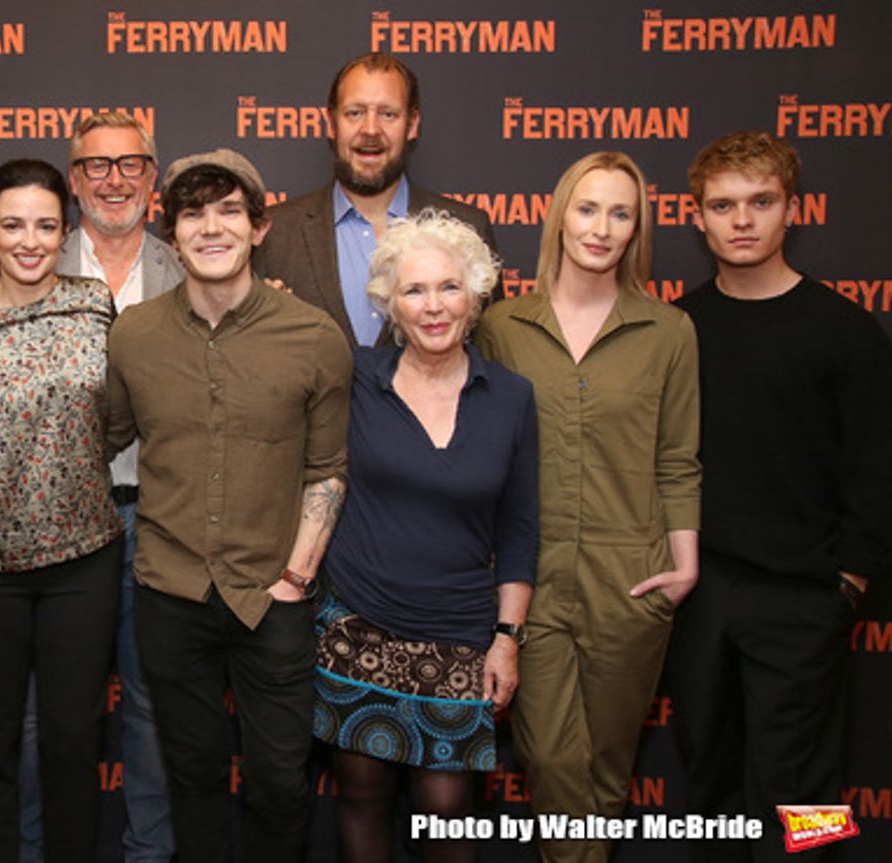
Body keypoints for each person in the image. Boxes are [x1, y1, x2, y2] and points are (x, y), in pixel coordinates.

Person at [106, 148, 352, 863]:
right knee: (193, 775)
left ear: (258, 226)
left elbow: (328, 470)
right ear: (172, 233)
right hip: (168, 590)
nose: (210, 227)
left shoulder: (314, 337)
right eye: (192, 213)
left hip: (274, 593)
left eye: (227, 210)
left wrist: (296, 580)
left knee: (279, 782)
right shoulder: (134, 334)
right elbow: (105, 439)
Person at [668, 132, 892, 863]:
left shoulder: (847, 331)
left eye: (760, 202)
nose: (742, 220)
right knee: (709, 788)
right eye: (723, 205)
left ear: (790, 210)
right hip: (700, 598)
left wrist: (847, 584)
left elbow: (876, 467)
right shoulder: (679, 328)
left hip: (804, 597)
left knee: (808, 802)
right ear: (697, 217)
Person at [473, 151, 701, 863]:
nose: (601, 227)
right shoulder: (503, 326)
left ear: (637, 230)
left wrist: (682, 565)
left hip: (630, 579)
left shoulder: (669, 332)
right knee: (552, 761)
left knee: (609, 767)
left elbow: (677, 456)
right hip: (528, 579)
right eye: (588, 207)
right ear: (560, 216)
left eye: (620, 212)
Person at [313, 210, 537, 863]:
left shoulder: (512, 396)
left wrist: (507, 638)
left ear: (474, 296)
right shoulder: (356, 379)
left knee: (447, 811)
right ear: (389, 302)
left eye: (448, 287)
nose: (433, 305)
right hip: (356, 626)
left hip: (461, 633)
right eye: (414, 290)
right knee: (361, 797)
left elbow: (521, 525)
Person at [0, 159, 123, 863]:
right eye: (13, 224)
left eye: (46, 225)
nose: (29, 240)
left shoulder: (95, 304)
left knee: (75, 741)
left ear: (65, 229)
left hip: (87, 559)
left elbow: (126, 410)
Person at [15, 111, 181, 863]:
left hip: (162, 519)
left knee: (154, 708)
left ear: (154, 175)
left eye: (130, 164)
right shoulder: (33, 265)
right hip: (60, 524)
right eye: (95, 166)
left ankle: (151, 854)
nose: (114, 179)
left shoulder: (194, 265)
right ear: (73, 180)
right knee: (45, 713)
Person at [255, 51, 497, 347]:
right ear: (331, 124)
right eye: (354, 113)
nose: (370, 129)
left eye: (388, 114)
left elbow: (488, 357)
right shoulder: (275, 232)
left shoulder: (467, 228)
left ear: (412, 125)